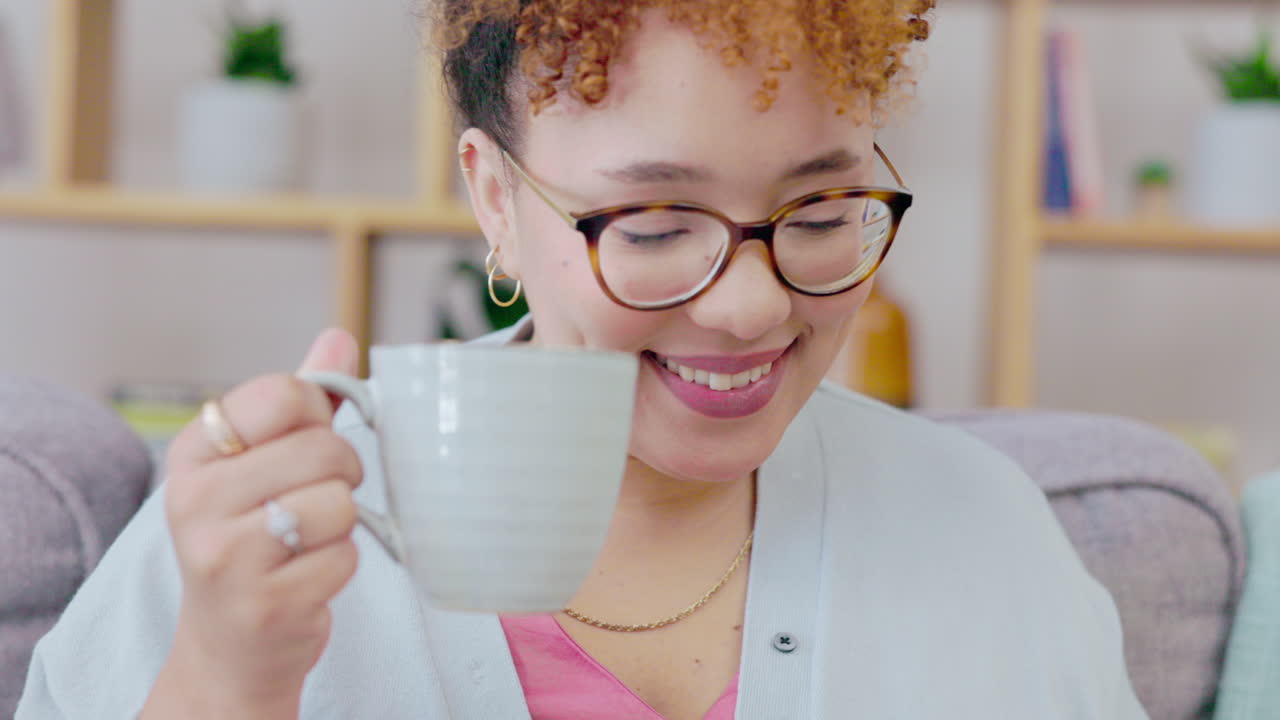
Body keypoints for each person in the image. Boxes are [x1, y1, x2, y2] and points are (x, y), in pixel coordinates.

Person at [18, 1, 1149, 718]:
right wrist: (224, 685)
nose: (752, 306)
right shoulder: (256, 547)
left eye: (817, 211)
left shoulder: (988, 534)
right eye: (653, 227)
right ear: (495, 198)